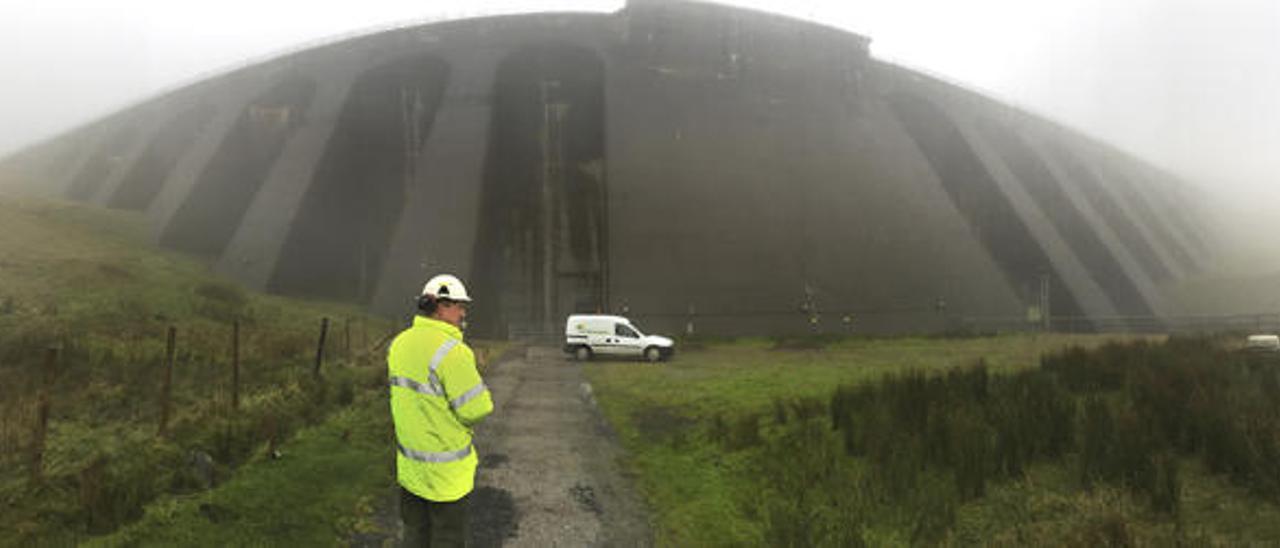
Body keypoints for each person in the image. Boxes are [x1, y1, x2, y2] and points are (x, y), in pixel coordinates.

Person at [387, 274, 493, 547]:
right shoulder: (454, 352)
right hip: (447, 478)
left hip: (411, 471)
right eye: (458, 305)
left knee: (414, 537)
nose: (463, 312)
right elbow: (477, 409)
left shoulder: (399, 344)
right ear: (440, 306)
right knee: (447, 540)